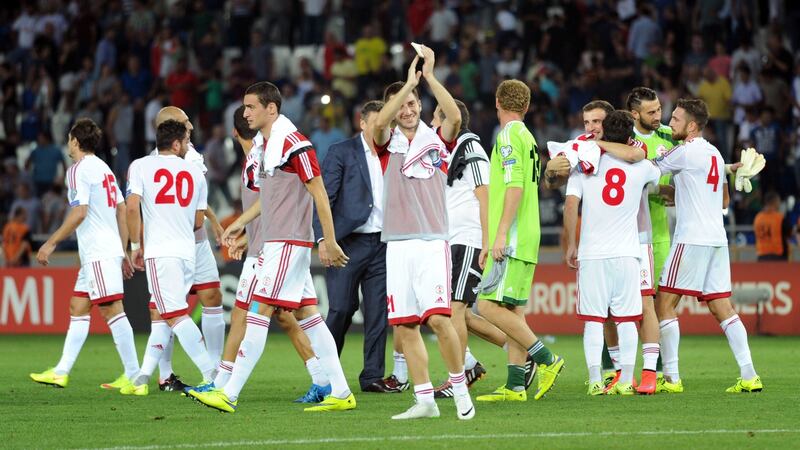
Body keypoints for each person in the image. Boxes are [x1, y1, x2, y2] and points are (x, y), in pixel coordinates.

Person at [191, 81, 354, 413]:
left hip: (289, 242)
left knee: (259, 311)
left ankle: (229, 393)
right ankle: (340, 391)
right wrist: (239, 222)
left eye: (251, 107)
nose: (245, 113)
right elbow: (269, 199)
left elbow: (319, 191)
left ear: (271, 109)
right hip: (279, 240)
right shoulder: (267, 147)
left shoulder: (294, 144)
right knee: (309, 315)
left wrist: (329, 240)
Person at [371, 45, 474, 420]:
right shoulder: (386, 144)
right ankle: (425, 399)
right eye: (403, 104)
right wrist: (406, 85)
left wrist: (427, 77)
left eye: (413, 103)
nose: (409, 109)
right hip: (397, 244)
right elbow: (380, 122)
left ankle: (459, 387)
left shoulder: (436, 138)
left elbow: (453, 116)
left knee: (438, 319)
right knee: (406, 326)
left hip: (432, 241)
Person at [210, 105, 329, 404]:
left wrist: (250, 242)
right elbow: (269, 208)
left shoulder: (268, 156)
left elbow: (279, 205)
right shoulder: (263, 155)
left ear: (235, 132)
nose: (250, 112)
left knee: (253, 312)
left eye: (252, 107)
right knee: (295, 315)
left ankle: (225, 388)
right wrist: (244, 234)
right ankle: (329, 383)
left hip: (277, 248)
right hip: (270, 245)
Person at [654, 98, 762, 393]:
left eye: (675, 119)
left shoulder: (684, 152)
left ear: (691, 126)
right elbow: (724, 201)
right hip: (717, 240)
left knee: (663, 304)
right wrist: (683, 195)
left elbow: (649, 171)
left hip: (691, 238)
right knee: (722, 308)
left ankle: (672, 378)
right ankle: (750, 375)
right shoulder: (714, 153)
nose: (669, 122)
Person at [429, 99, 534, 398]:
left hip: (469, 239)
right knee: (458, 314)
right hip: (452, 239)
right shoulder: (451, 153)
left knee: (454, 311)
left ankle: (458, 378)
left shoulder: (471, 149)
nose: (433, 126)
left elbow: (485, 195)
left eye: (436, 119)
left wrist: (487, 242)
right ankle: (507, 356)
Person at [30, 118, 139, 390]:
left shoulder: (77, 170)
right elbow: (121, 209)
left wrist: (51, 242)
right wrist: (123, 249)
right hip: (103, 251)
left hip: (99, 252)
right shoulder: (104, 169)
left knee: (112, 310)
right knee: (78, 306)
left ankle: (135, 376)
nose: (68, 143)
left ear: (75, 141)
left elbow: (80, 212)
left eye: (69, 138)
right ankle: (61, 370)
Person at [474, 79, 564, 403]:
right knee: (512, 309)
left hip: (511, 236)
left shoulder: (509, 135)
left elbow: (514, 188)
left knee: (485, 305)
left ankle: (546, 360)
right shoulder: (527, 137)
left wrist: (498, 235)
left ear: (497, 102)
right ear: (526, 107)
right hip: (527, 234)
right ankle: (514, 386)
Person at [564, 110, 662, 396]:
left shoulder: (585, 162)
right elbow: (656, 172)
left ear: (603, 130)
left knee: (594, 320)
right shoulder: (642, 166)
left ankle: (596, 380)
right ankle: (625, 381)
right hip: (628, 252)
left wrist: (571, 244)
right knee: (628, 318)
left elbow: (571, 205)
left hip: (593, 253)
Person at [134, 106, 226, 393]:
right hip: (182, 242)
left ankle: (212, 369)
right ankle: (160, 374)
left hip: (182, 244)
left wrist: (215, 223)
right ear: (174, 133)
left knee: (200, 300)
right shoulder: (156, 162)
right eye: (186, 124)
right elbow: (195, 208)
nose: (192, 128)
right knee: (165, 310)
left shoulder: (154, 163)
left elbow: (134, 206)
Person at [312, 100, 399, 394]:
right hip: (348, 242)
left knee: (378, 313)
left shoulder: (395, 152)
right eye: (375, 123)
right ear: (362, 124)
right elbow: (325, 198)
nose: (380, 128)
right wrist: (324, 239)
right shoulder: (341, 152)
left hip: (383, 243)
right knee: (340, 309)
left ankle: (372, 376)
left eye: (385, 124)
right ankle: (326, 375)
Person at [753, 192, 791, 261]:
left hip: (761, 256)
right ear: (775, 202)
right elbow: (789, 233)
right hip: (778, 256)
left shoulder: (758, 218)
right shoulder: (779, 218)